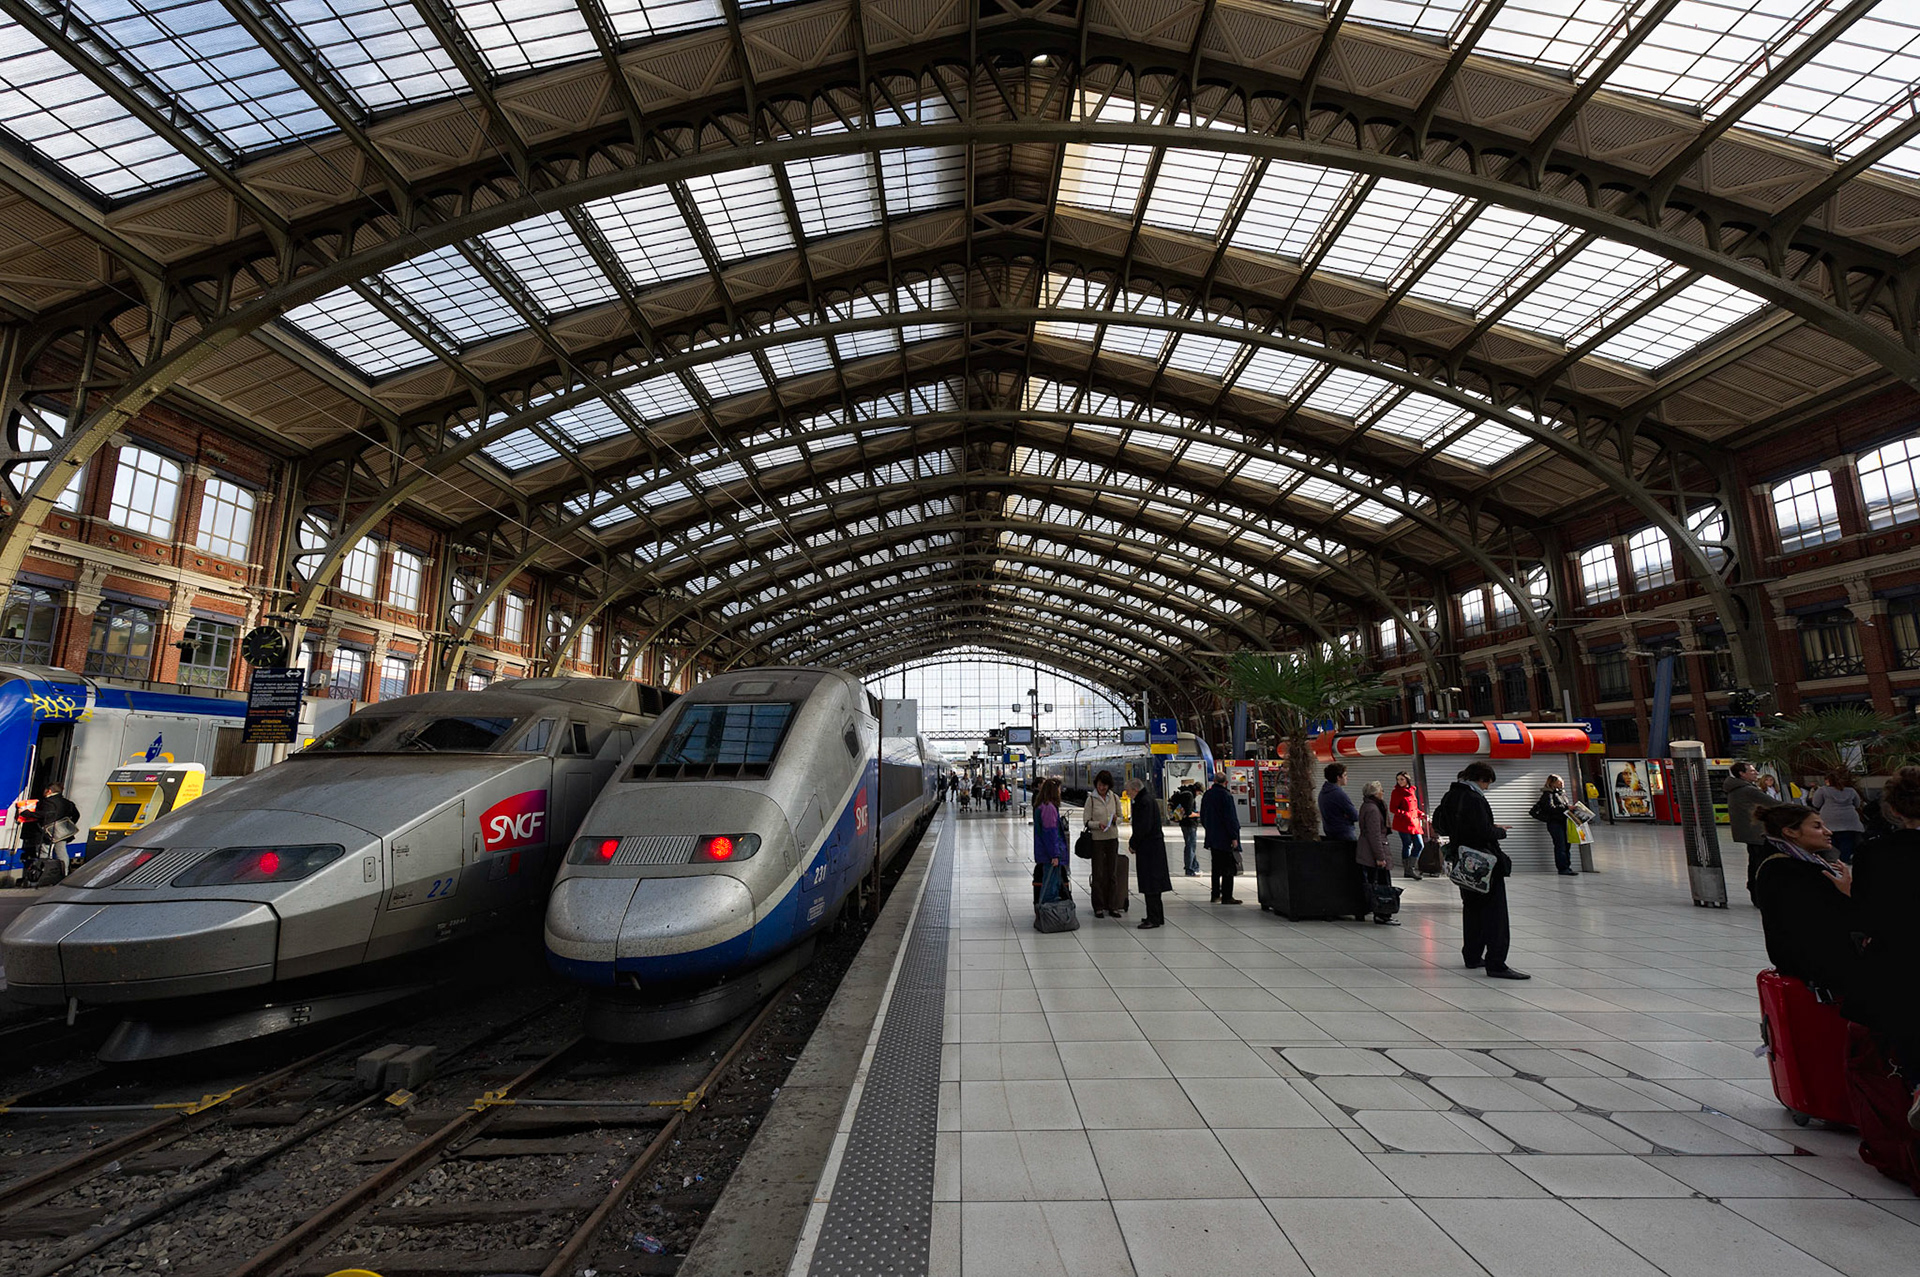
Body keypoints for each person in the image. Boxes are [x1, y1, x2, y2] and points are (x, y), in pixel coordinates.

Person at [1854, 767, 1920, 1126]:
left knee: (1907, 1020)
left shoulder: (1874, 854)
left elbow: (1864, 913)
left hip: (1900, 958)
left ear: (1893, 810)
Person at [1751, 803, 1859, 1004]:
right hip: (1818, 966)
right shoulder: (1786, 870)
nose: (1828, 832)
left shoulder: (1801, 863)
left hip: (1813, 962)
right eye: (1817, 827)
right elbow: (1824, 919)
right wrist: (1847, 893)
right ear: (1790, 832)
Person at [1434, 762, 1527, 979]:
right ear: (1482, 779)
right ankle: (1496, 963)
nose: (1487, 788)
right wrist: (1500, 831)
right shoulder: (1474, 799)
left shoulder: (1451, 795)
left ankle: (1473, 955)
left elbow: (1442, 825)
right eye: (1487, 783)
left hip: (1462, 860)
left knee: (1472, 909)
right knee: (1495, 914)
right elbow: (1482, 831)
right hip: (1483, 863)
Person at [1125, 779, 1171, 929]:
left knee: (1150, 883)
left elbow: (1142, 827)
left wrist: (1133, 843)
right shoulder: (1147, 799)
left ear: (1136, 789)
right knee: (1154, 883)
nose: (1127, 793)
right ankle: (1157, 915)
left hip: (1149, 849)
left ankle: (1153, 918)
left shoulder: (1143, 802)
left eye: (1129, 791)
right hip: (1153, 847)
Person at [1725, 761, 1771, 901]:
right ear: (1742, 774)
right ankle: (1758, 892)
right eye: (1752, 771)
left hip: (1749, 832)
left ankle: (1755, 890)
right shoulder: (1748, 790)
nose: (1756, 773)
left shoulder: (1738, 788)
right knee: (1759, 862)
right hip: (1757, 832)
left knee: (1754, 861)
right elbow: (1772, 803)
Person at [1083, 771, 1125, 918]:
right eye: (1100, 785)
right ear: (1096, 784)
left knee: (1112, 873)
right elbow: (1086, 821)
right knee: (1098, 873)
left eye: (1105, 785)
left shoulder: (1114, 797)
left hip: (1112, 838)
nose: (1102, 787)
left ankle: (1113, 905)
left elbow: (1121, 817)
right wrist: (1097, 824)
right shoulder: (1091, 800)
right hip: (1097, 840)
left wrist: (1115, 820)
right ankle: (1098, 906)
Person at [1357, 780, 1398, 925]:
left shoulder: (1367, 806)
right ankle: (1383, 913)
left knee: (1375, 881)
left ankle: (1378, 912)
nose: (1383, 793)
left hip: (1368, 850)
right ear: (1375, 793)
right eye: (1381, 790)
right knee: (1382, 884)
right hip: (1374, 852)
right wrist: (1380, 857)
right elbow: (1374, 835)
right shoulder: (1373, 810)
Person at [21, 782, 78, 885]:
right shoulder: (68, 803)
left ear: (49, 791)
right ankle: (63, 874)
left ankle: (42, 876)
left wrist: (27, 813)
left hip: (47, 833)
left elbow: (43, 815)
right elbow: (76, 815)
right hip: (62, 833)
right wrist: (67, 824)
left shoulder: (48, 802)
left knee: (44, 852)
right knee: (62, 853)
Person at [1200, 773, 1242, 904]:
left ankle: (1215, 894)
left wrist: (1209, 829)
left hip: (1213, 837)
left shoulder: (1207, 795)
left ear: (1214, 781)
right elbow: (1230, 818)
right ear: (1226, 782)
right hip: (1225, 838)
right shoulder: (1226, 796)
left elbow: (1203, 816)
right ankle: (1227, 896)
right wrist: (1234, 837)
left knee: (1216, 867)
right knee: (1228, 867)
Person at [1810, 769, 1866, 863]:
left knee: (1831, 842)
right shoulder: (1851, 791)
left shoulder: (1823, 790)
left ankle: (1834, 861)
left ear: (1828, 780)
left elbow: (1816, 804)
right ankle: (1844, 861)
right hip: (1849, 820)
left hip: (1829, 820)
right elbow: (1857, 804)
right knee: (1847, 842)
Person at [1032, 776, 1070, 907]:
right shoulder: (1049, 808)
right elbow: (1050, 834)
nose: (1060, 792)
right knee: (1051, 887)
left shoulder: (1043, 806)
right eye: (1058, 789)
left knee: (1050, 883)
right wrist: (1055, 854)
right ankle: (1050, 915)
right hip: (1049, 854)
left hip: (1045, 851)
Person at [1530, 774, 1576, 876]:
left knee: (1566, 845)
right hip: (1555, 823)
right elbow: (1550, 808)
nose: (1562, 782)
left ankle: (1567, 867)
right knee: (1560, 846)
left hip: (1564, 822)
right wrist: (1566, 808)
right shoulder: (1548, 794)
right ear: (1553, 783)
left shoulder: (1562, 794)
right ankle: (1562, 868)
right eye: (1559, 781)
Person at [1319, 763, 1358, 864]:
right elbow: (1354, 815)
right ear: (1338, 777)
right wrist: (1346, 816)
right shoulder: (1339, 793)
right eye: (1345, 775)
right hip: (1344, 833)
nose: (1347, 778)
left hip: (1330, 831)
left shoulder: (1323, 792)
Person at [1389, 771, 1425, 880]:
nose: (1399, 782)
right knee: (1407, 844)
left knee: (1419, 845)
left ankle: (1410, 868)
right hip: (1403, 823)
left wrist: (1420, 813)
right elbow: (1393, 808)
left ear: (1407, 780)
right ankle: (1409, 870)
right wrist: (1406, 814)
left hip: (1414, 823)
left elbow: (1413, 807)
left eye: (1402, 779)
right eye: (1398, 779)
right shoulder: (1396, 792)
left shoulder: (1412, 790)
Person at [1168, 780, 1202, 876]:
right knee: (1190, 846)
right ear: (1196, 790)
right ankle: (1189, 869)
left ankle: (1195, 866)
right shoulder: (1189, 796)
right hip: (1189, 824)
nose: (1199, 794)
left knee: (1190, 845)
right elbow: (1188, 813)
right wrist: (1198, 814)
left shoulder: (1184, 793)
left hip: (1184, 824)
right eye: (1199, 792)